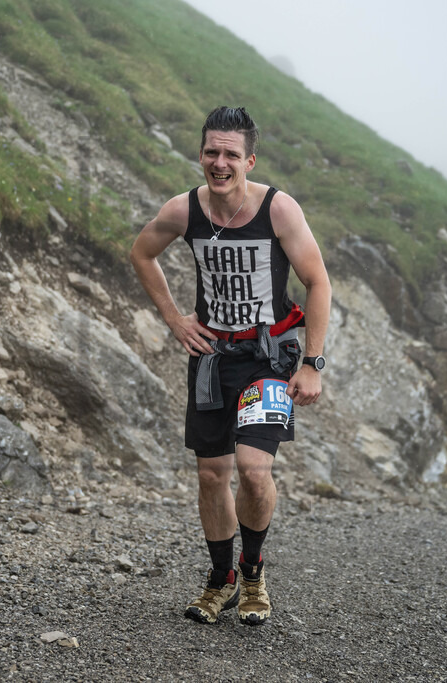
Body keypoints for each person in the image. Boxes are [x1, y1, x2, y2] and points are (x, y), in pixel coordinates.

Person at [129, 106, 331, 626]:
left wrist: (312, 362)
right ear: (201, 155)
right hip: (211, 358)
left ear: (249, 161)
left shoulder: (278, 210)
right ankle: (220, 581)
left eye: (231, 155)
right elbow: (142, 253)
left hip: (269, 356)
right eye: (211, 152)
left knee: (254, 471)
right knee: (211, 474)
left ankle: (253, 573)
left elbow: (318, 282)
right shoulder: (184, 210)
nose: (220, 163)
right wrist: (175, 319)